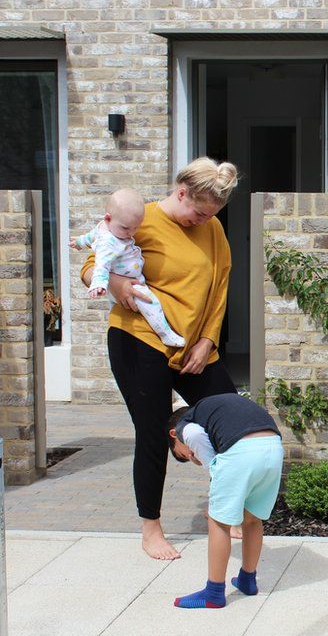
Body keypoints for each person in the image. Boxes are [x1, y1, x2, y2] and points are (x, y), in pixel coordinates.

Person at [80, 157, 239, 560]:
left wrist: (207, 339)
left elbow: (219, 287)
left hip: (193, 344)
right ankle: (151, 528)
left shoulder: (213, 229)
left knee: (233, 420)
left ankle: (225, 508)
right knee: (150, 431)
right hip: (138, 339)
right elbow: (90, 264)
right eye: (197, 212)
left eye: (211, 215)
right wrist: (116, 283)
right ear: (181, 192)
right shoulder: (141, 220)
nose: (201, 221)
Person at [167, 393, 283, 609]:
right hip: (273, 448)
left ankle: (213, 593)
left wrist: (211, 467)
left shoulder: (186, 423)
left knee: (218, 521)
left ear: (174, 434)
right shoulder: (214, 410)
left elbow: (193, 434)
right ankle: (247, 580)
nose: (190, 456)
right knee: (252, 519)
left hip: (242, 451)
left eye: (182, 454)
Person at [70, 188, 185, 347]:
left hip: (123, 283)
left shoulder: (103, 227)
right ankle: (166, 334)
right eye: (125, 228)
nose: (130, 233)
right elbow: (101, 265)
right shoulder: (109, 243)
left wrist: (79, 242)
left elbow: (90, 236)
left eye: (136, 228)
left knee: (117, 311)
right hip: (131, 284)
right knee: (152, 304)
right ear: (108, 218)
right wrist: (100, 284)